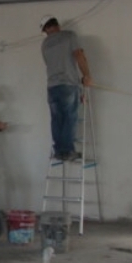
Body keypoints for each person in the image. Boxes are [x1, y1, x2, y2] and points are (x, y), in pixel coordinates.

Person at [39, 15, 92, 161]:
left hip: (52, 86)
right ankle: (68, 150)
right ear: (57, 25)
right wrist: (86, 75)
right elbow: (79, 55)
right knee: (70, 117)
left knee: (57, 119)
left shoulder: (44, 44)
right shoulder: (69, 36)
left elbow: (49, 64)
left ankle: (59, 151)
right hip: (68, 83)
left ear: (45, 29)